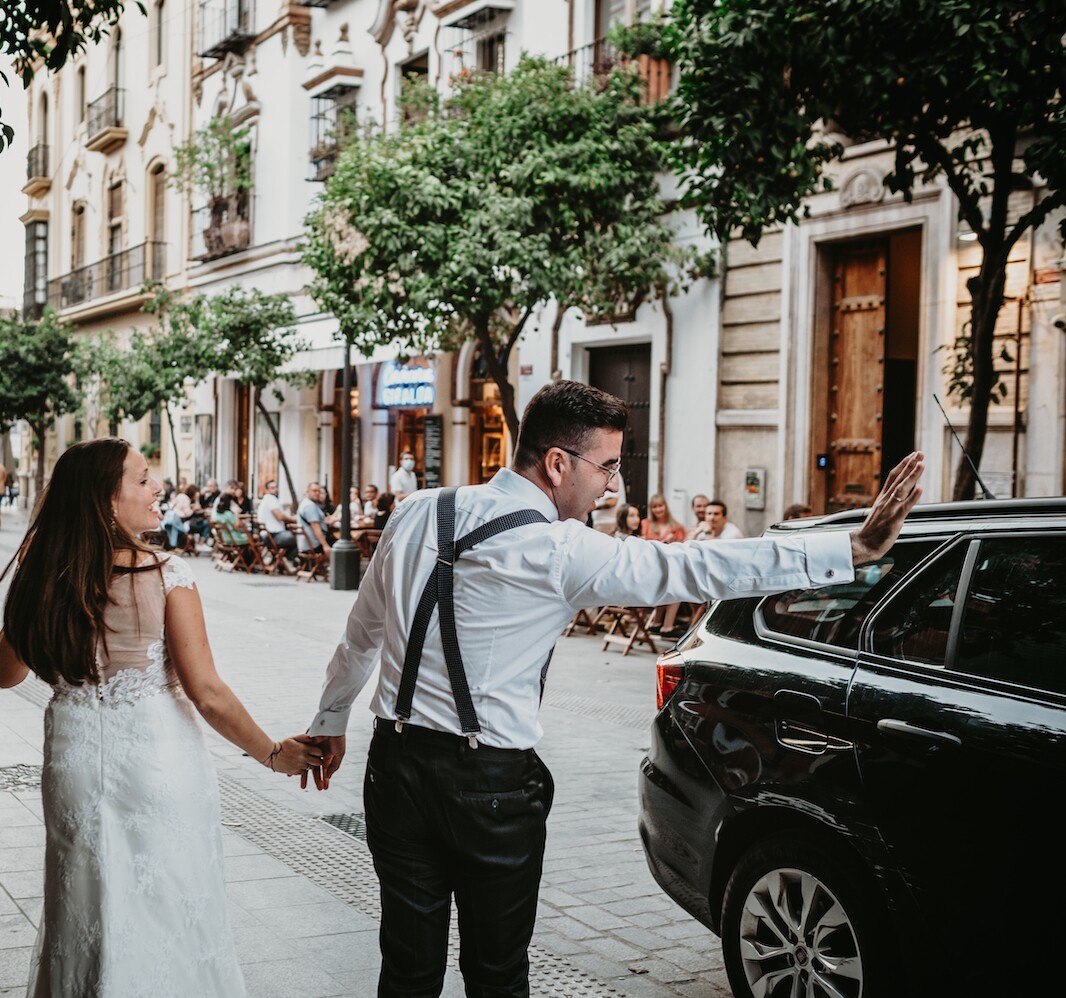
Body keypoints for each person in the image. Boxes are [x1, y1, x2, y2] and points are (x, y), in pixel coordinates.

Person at [300, 379, 926, 997]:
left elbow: (362, 635)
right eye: (606, 466)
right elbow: (697, 565)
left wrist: (330, 722)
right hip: (486, 787)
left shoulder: (416, 511)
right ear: (556, 463)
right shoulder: (560, 548)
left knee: (407, 968)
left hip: (394, 767)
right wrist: (857, 546)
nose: (611, 485)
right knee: (496, 974)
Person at [0, 438, 321, 996]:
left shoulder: (46, 573)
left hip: (71, 763)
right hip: (156, 762)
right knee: (168, 909)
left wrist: (38, 580)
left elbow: (4, 671)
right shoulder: (166, 575)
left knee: (83, 907)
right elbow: (206, 691)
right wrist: (272, 752)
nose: (157, 487)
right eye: (142, 480)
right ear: (106, 501)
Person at [640, 493, 690, 636]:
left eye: (660, 506)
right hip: (650, 567)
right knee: (675, 584)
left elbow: (681, 550)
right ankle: (665, 625)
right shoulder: (646, 524)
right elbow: (643, 546)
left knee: (673, 581)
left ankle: (659, 623)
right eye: (654, 507)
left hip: (668, 566)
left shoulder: (677, 527)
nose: (658, 509)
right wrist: (663, 542)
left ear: (666, 507)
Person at [255, 480, 299, 565]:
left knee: (298, 537)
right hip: (273, 536)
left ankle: (282, 560)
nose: (275, 489)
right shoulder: (271, 499)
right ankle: (288, 559)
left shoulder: (267, 499)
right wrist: (295, 519)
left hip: (267, 535)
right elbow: (280, 516)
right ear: (267, 490)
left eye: (276, 487)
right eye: (272, 488)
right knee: (302, 538)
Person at [296, 481, 333, 560]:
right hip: (314, 545)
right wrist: (325, 546)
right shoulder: (310, 506)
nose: (317, 493)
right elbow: (315, 527)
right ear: (308, 492)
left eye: (318, 491)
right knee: (342, 543)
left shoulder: (305, 503)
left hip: (306, 543)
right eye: (314, 491)